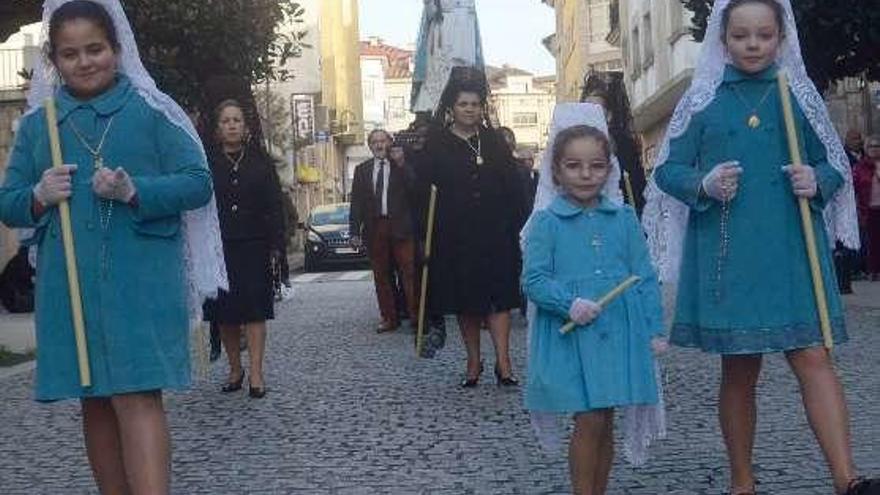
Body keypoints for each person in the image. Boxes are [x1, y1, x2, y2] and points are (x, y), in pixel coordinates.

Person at [642, 1, 877, 494]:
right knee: (740, 366)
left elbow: (832, 164)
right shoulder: (702, 99)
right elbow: (667, 170)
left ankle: (846, 477)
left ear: (781, 37)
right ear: (722, 39)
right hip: (731, 256)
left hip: (794, 252)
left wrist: (819, 179)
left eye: (764, 35)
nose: (753, 44)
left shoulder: (798, 96)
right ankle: (742, 481)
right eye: (742, 35)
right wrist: (703, 183)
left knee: (814, 358)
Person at [0, 0, 225, 492]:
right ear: (53, 60)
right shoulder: (41, 125)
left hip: (141, 280)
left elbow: (197, 182)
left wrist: (136, 190)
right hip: (71, 284)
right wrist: (36, 197)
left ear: (117, 48)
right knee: (95, 399)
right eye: (70, 53)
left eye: (95, 49)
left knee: (138, 396)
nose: (85, 62)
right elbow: (8, 201)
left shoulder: (152, 111)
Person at [522, 106, 665, 495]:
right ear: (557, 171)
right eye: (574, 166)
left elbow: (644, 275)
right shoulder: (547, 223)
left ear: (608, 169)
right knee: (588, 419)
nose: (586, 175)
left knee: (605, 418)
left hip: (619, 332)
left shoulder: (623, 219)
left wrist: (654, 329)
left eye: (596, 166)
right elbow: (533, 279)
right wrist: (568, 303)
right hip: (571, 338)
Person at [422, 66, 527, 387]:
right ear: (452, 108)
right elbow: (424, 191)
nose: (470, 110)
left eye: (475, 104)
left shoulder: (493, 141)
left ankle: (504, 363)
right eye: (464, 104)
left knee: (499, 299)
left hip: (496, 233)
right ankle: (472, 360)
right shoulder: (436, 144)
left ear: (483, 107)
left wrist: (518, 222)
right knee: (467, 302)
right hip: (457, 236)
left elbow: (513, 184)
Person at [206, 99, 285, 399]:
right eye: (226, 121)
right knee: (225, 313)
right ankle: (234, 368)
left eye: (236, 120)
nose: (231, 125)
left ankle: (256, 372)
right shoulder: (208, 162)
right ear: (218, 129)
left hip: (254, 245)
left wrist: (277, 244)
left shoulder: (261, 162)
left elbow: (274, 205)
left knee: (254, 311)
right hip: (220, 246)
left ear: (245, 127)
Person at [349, 129, 419, 333]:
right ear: (369, 146)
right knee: (381, 275)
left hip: (401, 226)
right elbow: (357, 203)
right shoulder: (362, 169)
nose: (379, 145)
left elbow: (415, 189)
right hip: (375, 227)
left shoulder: (401, 165)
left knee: (409, 273)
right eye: (375, 142)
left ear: (390, 143)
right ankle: (389, 317)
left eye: (383, 141)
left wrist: (402, 164)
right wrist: (354, 232)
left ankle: (416, 317)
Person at [581, 71, 647, 216]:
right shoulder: (572, 146)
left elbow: (636, 189)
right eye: (586, 110)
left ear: (609, 116)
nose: (590, 115)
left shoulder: (623, 146)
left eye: (596, 110)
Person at [411, 0, 484, 114]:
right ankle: (434, 107)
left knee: (462, 71)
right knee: (439, 72)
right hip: (442, 36)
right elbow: (430, 12)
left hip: (464, 37)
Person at [854, 135, 880, 281]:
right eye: (872, 147)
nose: (875, 150)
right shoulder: (860, 166)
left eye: (877, 147)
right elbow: (855, 186)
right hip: (868, 208)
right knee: (871, 241)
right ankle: (872, 270)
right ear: (866, 149)